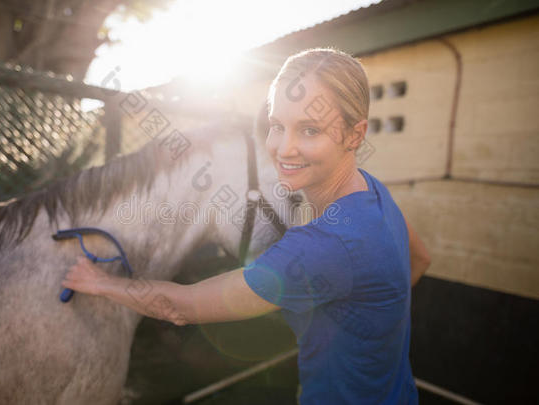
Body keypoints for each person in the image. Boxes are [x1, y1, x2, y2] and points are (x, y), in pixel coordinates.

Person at [62, 48, 432, 404]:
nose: (284, 148)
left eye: (309, 130)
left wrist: (100, 282)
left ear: (355, 134)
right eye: (277, 126)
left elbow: (184, 307)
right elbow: (420, 258)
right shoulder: (374, 192)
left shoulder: (323, 246)